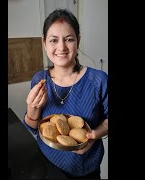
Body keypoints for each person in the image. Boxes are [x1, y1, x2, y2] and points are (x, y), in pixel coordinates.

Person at [22, 8, 108, 179]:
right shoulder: (40, 79)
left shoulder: (98, 80)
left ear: (78, 41)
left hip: (86, 170)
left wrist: (94, 135)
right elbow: (33, 127)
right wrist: (31, 107)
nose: (61, 47)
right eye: (54, 40)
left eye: (69, 39)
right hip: (47, 165)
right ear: (44, 43)